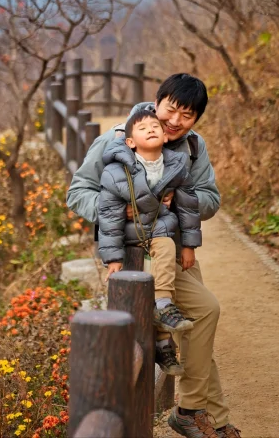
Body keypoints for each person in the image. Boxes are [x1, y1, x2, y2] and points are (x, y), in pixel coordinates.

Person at [67, 73, 240, 438]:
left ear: (196, 119)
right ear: (157, 101)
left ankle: (199, 413)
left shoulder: (194, 147)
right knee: (203, 312)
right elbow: (78, 191)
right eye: (171, 109)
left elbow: (210, 198)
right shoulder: (118, 139)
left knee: (196, 324)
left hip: (172, 251)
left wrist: (179, 201)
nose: (175, 121)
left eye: (187, 115)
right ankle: (203, 415)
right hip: (134, 255)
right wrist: (117, 208)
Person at [96, 102, 201, 368]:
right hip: (130, 234)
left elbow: (189, 207)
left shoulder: (176, 165)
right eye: (143, 128)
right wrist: (113, 258)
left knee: (166, 254)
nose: (151, 129)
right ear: (130, 141)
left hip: (158, 229)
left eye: (156, 126)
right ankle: (161, 331)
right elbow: (108, 216)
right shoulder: (115, 171)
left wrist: (189, 246)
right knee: (138, 288)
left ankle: (164, 322)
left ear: (165, 136)